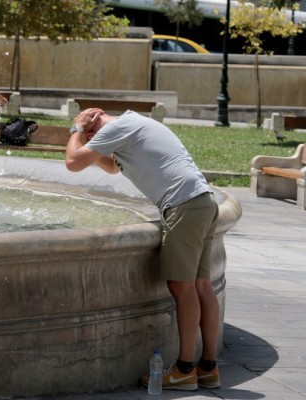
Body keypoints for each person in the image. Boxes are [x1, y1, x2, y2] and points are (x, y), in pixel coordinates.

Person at [65, 108, 221, 391]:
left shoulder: (115, 127)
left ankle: (185, 369)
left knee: (182, 288)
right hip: (202, 201)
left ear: (93, 123)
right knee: (202, 286)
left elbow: (73, 162)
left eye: (89, 135)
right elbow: (112, 166)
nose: (87, 140)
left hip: (182, 206)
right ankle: (208, 368)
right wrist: (94, 146)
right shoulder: (132, 123)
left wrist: (76, 130)